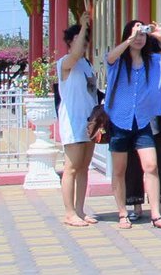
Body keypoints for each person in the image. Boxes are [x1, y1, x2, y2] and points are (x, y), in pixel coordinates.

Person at [104, 19, 161, 230]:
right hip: (120, 121)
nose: (139, 38)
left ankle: (156, 214)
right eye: (135, 34)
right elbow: (109, 58)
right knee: (119, 170)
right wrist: (128, 41)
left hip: (142, 121)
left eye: (142, 34)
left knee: (152, 166)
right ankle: (122, 213)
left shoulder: (153, 61)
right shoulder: (119, 61)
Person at [57, 14, 99, 227]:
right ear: (70, 41)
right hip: (73, 121)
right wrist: (82, 26)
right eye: (79, 39)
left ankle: (80, 210)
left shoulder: (87, 64)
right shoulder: (66, 63)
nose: (83, 43)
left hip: (89, 122)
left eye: (85, 40)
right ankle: (69, 212)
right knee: (71, 167)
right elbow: (74, 55)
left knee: (84, 167)